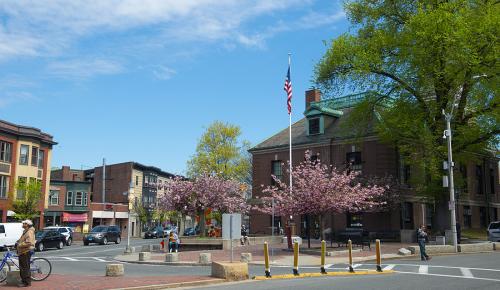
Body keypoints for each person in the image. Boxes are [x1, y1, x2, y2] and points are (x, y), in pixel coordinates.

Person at [16, 220, 35, 287]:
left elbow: (29, 242)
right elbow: (23, 239)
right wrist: (17, 241)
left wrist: (20, 245)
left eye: (24, 223)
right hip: (23, 251)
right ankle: (24, 281)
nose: (23, 224)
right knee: (23, 267)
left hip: (25, 252)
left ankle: (26, 282)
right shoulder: (25, 231)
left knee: (25, 267)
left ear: (27, 225)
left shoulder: (29, 232)